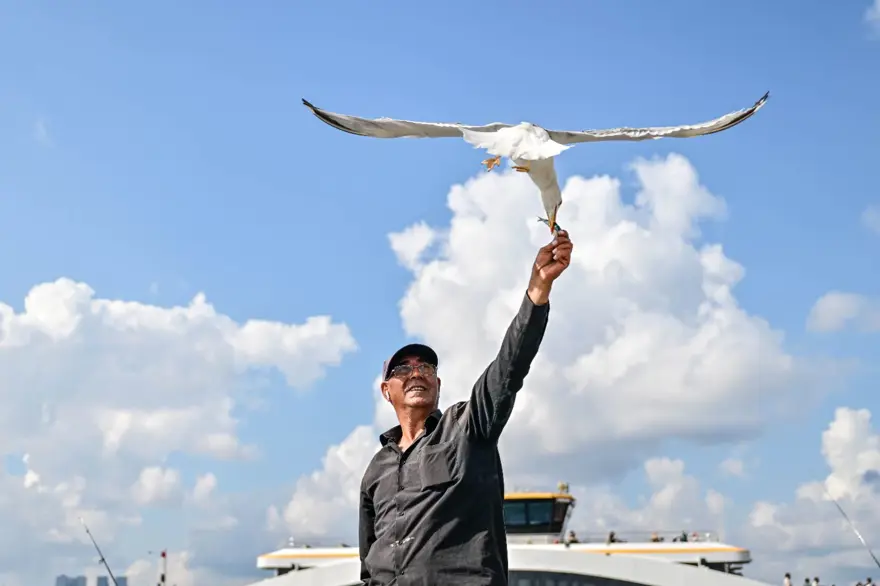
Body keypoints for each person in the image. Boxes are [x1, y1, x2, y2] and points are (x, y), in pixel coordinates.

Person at [358, 230, 574, 585]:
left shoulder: (467, 428)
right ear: (386, 390)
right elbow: (369, 565)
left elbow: (508, 369)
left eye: (426, 368)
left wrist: (538, 291)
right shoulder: (375, 470)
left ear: (438, 385)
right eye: (404, 369)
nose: (417, 373)